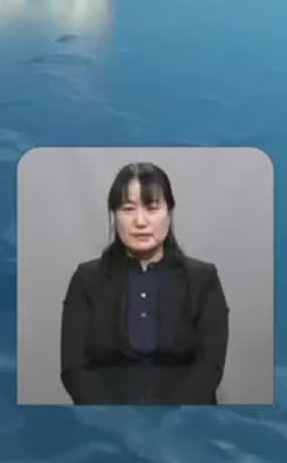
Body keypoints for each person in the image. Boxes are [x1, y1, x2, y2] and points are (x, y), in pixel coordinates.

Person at [59, 161, 230, 405]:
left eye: (151, 208)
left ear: (169, 212)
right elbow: (74, 368)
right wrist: (120, 423)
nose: (140, 221)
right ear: (114, 214)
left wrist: (167, 421)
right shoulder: (86, 279)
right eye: (128, 209)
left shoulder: (203, 279)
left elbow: (210, 366)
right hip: (105, 425)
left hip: (186, 422)